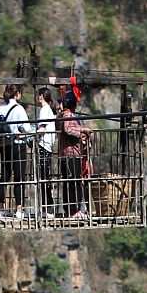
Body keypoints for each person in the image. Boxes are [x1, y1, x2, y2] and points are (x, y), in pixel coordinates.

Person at [0, 80, 33, 216]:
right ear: (17, 94)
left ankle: (0, 209)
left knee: (4, 176)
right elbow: (27, 129)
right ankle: (19, 209)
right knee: (19, 178)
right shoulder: (19, 109)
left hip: (4, 145)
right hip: (18, 146)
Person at [58, 85, 89, 220]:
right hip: (71, 153)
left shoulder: (63, 115)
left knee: (70, 182)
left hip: (69, 153)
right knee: (73, 182)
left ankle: (70, 209)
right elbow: (68, 130)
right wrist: (82, 132)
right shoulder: (67, 115)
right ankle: (73, 210)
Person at [35, 85, 58, 219]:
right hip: (48, 146)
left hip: (44, 145)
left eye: (39, 95)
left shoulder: (44, 109)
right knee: (45, 177)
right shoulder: (49, 109)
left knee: (43, 178)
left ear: (42, 96)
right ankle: (47, 208)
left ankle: (47, 208)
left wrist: (32, 134)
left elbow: (42, 128)